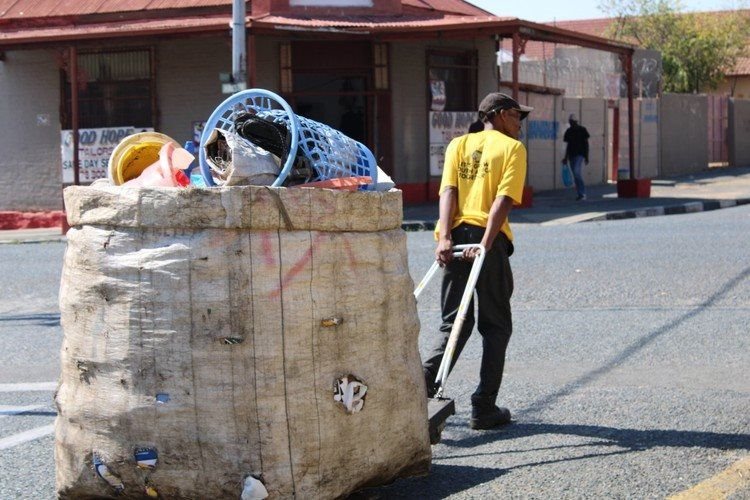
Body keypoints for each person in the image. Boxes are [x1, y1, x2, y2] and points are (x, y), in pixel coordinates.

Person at [422, 92, 532, 430]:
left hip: (455, 238)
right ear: (498, 114)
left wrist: (444, 237)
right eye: (516, 116)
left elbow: (448, 192)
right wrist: (485, 244)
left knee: (454, 322)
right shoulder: (512, 149)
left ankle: (421, 389)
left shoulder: (458, 145)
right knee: (496, 326)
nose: (519, 124)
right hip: (489, 240)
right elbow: (503, 199)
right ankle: (484, 407)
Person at [562, 113, 590, 201]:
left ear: (575, 121)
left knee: (576, 172)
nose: (570, 123)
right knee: (575, 174)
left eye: (571, 122)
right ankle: (580, 194)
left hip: (580, 155)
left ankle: (582, 192)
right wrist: (566, 157)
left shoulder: (582, 130)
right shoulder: (569, 131)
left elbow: (586, 144)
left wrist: (586, 156)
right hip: (571, 155)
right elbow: (568, 145)